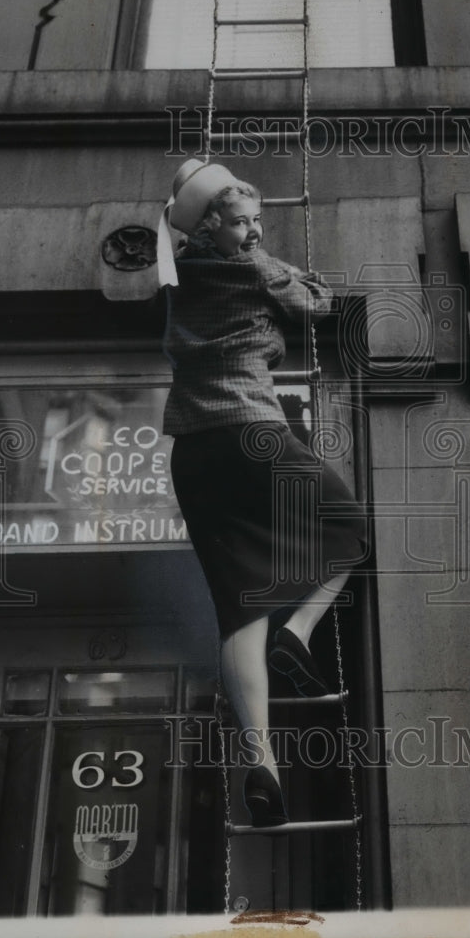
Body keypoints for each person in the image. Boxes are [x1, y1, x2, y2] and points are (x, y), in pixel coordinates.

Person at [158, 159, 366, 827]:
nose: (251, 232)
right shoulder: (250, 265)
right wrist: (268, 255)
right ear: (212, 224)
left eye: (256, 222)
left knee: (239, 605)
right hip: (251, 432)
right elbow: (317, 300)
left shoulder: (178, 275)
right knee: (349, 528)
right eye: (241, 221)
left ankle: (261, 764)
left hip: (192, 451)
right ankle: (300, 631)